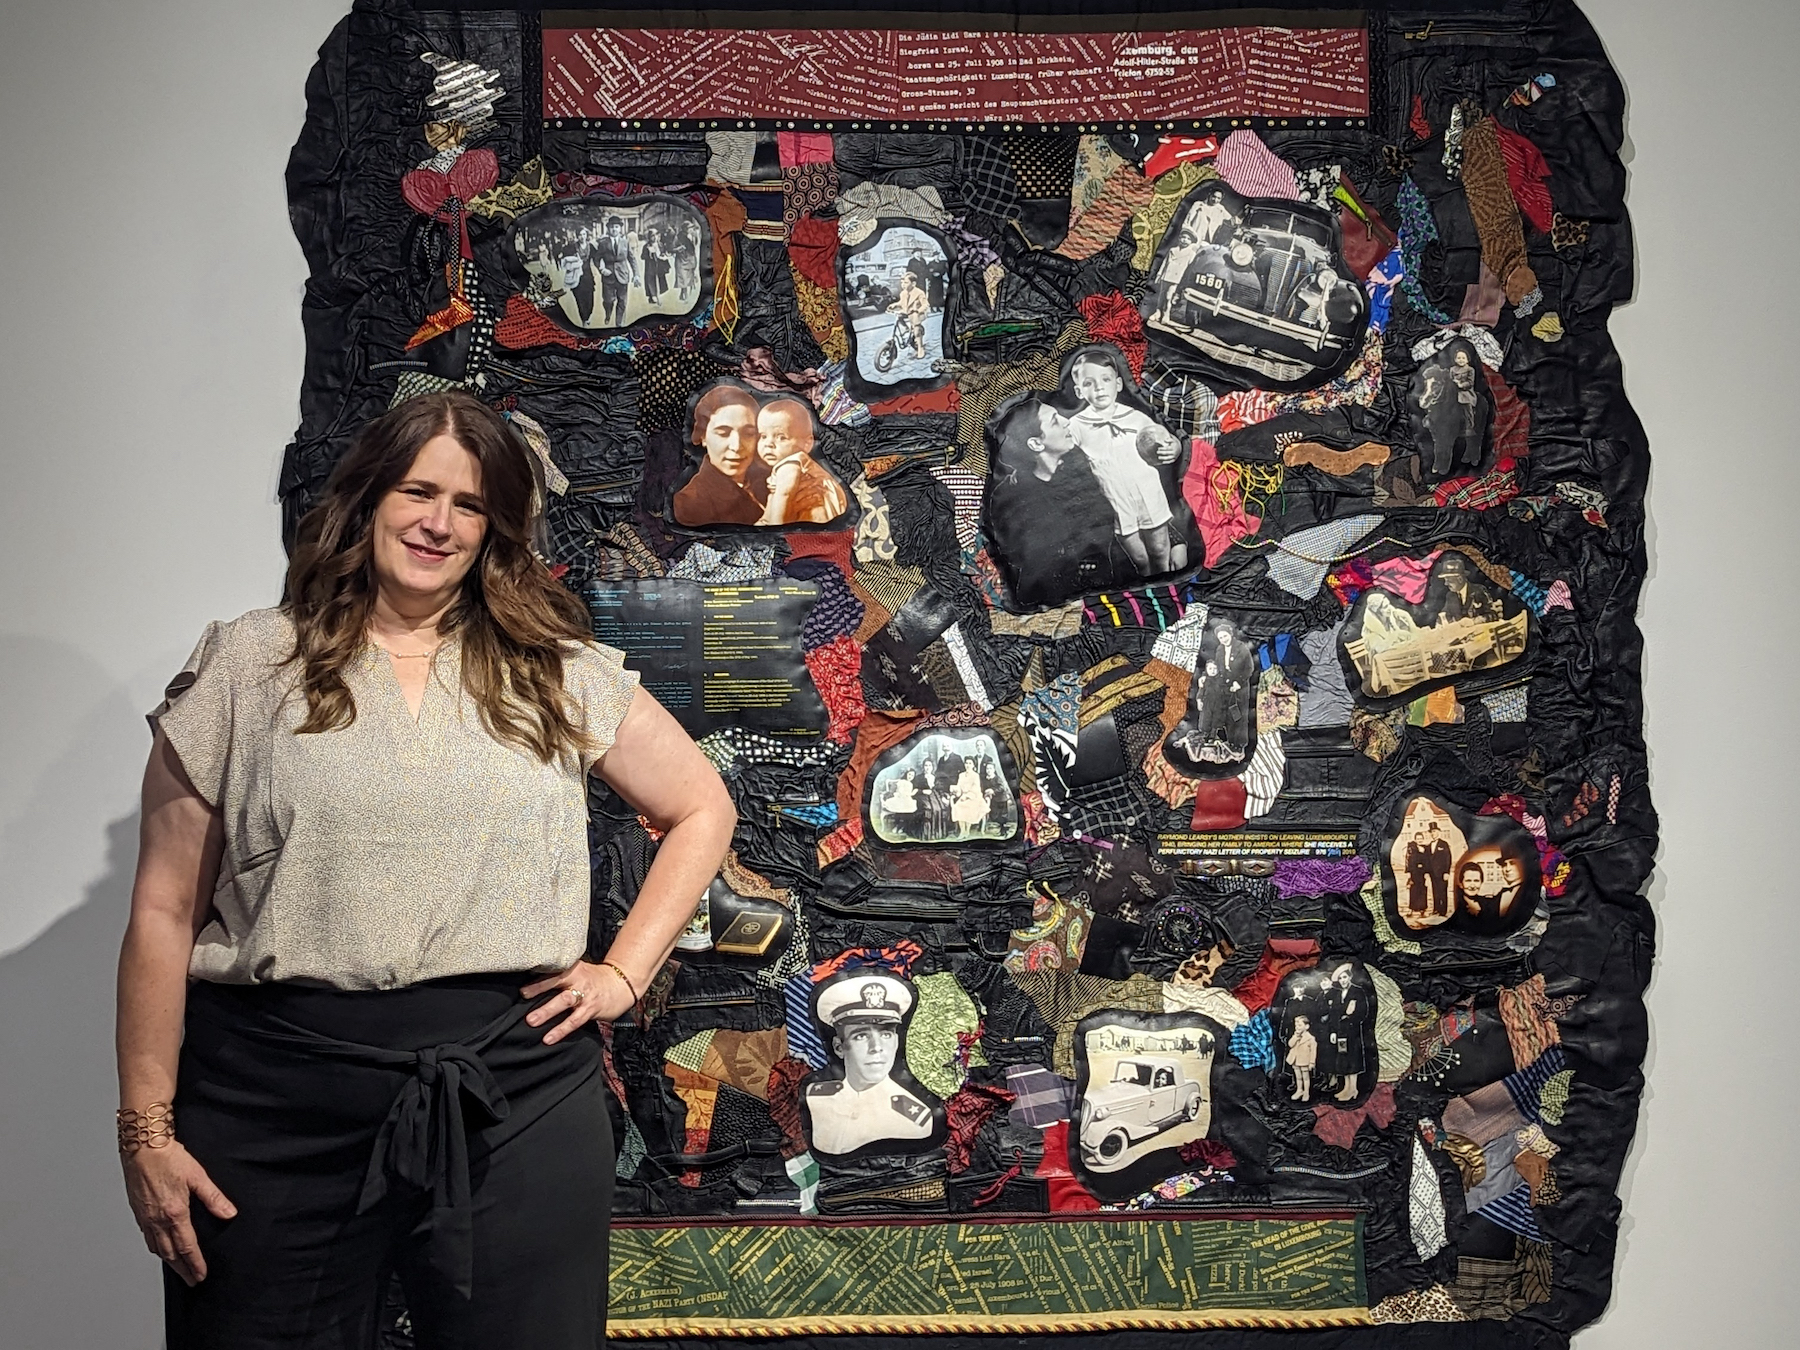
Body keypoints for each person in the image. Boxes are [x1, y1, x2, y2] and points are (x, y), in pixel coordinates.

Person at [116, 391, 737, 1349]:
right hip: (276, 1100)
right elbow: (162, 910)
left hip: (513, 1091)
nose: (439, 523)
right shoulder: (250, 662)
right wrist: (146, 1134)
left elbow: (702, 806)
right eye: (417, 490)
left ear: (495, 529)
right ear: (367, 499)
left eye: (471, 504)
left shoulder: (553, 667)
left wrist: (623, 973)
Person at [1066, 348, 1185, 576]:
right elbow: (1063, 452)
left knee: (1159, 548)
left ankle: (1163, 580)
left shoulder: (1136, 417)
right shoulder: (1077, 425)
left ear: (1118, 384)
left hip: (1148, 494)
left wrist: (1174, 448)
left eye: (1105, 379)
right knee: (1138, 557)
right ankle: (1146, 580)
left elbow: (1166, 438)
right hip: (1116, 501)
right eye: (1089, 383)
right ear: (1079, 391)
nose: (1099, 387)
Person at [801, 975, 935, 1156]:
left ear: (896, 1042)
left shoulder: (914, 1118)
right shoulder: (816, 1097)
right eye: (861, 1036)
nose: (877, 1048)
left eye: (886, 1034)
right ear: (839, 1047)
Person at [673, 384, 768, 526]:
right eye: (723, 433)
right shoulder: (690, 504)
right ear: (703, 436)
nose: (736, 446)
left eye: (748, 434)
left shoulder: (772, 480)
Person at [753, 397, 847, 526]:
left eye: (781, 437)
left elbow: (784, 496)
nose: (768, 444)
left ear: (807, 444)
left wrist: (774, 531)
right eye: (763, 436)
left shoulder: (790, 464)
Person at [1320, 964, 1365, 1102]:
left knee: (1353, 1058)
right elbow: (1334, 1014)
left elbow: (1362, 1012)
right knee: (1344, 1058)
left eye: (1345, 977)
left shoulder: (1357, 992)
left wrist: (1349, 1017)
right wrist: (1333, 1031)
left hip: (1352, 1032)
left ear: (1350, 977)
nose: (1343, 980)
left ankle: (1354, 1088)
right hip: (1340, 1032)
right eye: (1340, 978)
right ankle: (1346, 1087)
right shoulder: (1338, 993)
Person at [592, 216, 637, 327]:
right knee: (608, 301)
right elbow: (596, 258)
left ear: (620, 228)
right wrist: (602, 269)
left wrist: (636, 275)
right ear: (608, 228)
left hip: (623, 276)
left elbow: (632, 259)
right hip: (608, 277)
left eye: (616, 227)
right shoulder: (603, 243)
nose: (614, 229)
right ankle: (608, 313)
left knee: (622, 301)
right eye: (612, 227)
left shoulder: (625, 242)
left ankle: (619, 323)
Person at [887, 270, 931, 361]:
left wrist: (918, 310)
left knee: (916, 328)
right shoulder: (903, 293)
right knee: (899, 316)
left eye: (906, 282)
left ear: (913, 283)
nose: (903, 284)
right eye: (902, 282)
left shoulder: (919, 293)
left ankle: (920, 348)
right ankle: (906, 329)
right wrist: (895, 305)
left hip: (918, 312)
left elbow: (925, 305)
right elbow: (902, 302)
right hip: (908, 311)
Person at [1286, 1014, 1317, 1102]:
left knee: (1306, 1078)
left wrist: (1312, 1062)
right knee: (1298, 1077)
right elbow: (1290, 1044)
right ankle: (1299, 1090)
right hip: (1295, 1060)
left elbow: (1313, 1052)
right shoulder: (1295, 1035)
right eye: (1296, 1025)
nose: (1297, 1027)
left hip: (1304, 1061)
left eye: (1300, 1025)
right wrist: (1295, 1037)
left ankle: (1306, 1092)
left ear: (1306, 1026)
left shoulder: (1311, 1039)